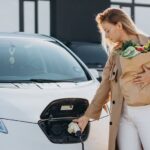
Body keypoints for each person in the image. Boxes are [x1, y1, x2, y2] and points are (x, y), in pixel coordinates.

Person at [73, 8, 150, 150]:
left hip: (146, 111)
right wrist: (87, 116)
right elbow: (105, 85)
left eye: (107, 30)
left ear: (119, 25)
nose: (106, 36)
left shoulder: (147, 43)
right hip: (123, 115)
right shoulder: (115, 54)